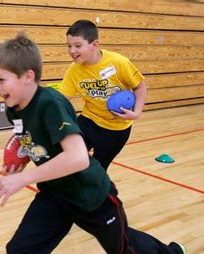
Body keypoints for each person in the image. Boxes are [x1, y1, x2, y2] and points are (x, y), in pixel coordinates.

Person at [0, 33, 186, 254]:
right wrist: (22, 155)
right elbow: (32, 138)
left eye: (1, 80)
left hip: (90, 196)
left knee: (121, 249)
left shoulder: (51, 103)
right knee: (21, 253)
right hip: (55, 193)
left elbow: (79, 157)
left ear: (28, 77)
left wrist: (24, 178)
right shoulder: (14, 109)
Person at [59, 19, 147, 171]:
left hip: (116, 129)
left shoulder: (119, 62)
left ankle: (100, 192)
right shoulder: (74, 71)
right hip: (89, 121)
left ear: (94, 44)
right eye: (69, 46)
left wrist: (137, 113)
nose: (72, 51)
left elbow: (140, 87)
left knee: (97, 170)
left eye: (77, 46)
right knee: (67, 157)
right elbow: (61, 100)